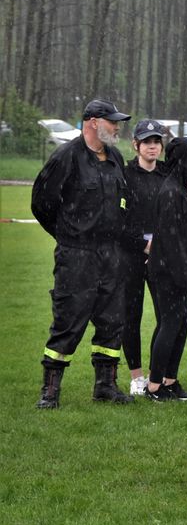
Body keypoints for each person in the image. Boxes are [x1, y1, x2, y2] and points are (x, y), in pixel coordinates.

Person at [31, 99, 135, 408]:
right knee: (69, 319)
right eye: (112, 121)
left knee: (113, 320)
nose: (117, 127)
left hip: (111, 253)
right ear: (92, 122)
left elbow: (124, 199)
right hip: (77, 254)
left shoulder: (114, 157)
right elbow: (42, 204)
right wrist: (67, 235)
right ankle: (50, 391)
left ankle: (106, 385)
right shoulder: (67, 156)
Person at [144, 138, 187, 401]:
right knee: (170, 324)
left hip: (180, 269)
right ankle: (155, 386)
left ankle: (170, 379)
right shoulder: (171, 192)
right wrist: (181, 273)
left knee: (182, 323)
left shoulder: (180, 188)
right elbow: (168, 240)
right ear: (186, 160)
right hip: (168, 272)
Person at [122, 119, 168, 395]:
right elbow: (120, 219)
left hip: (163, 254)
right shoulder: (125, 174)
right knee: (132, 315)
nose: (152, 147)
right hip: (132, 254)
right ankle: (136, 375)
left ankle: (156, 373)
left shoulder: (167, 174)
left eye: (156, 142)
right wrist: (142, 244)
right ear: (136, 145)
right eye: (147, 142)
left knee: (167, 316)